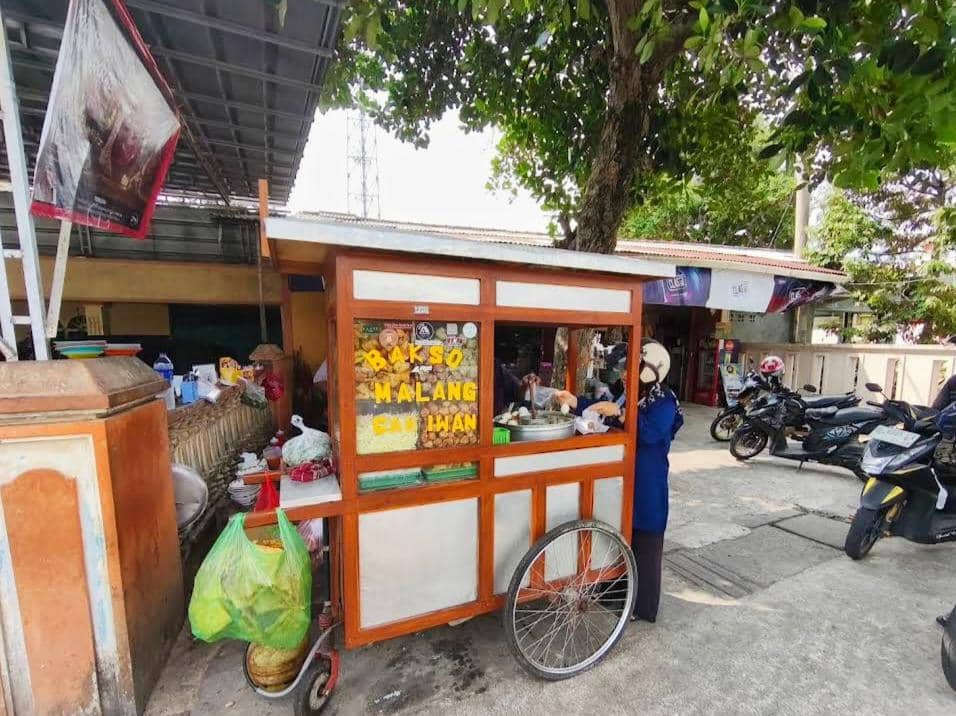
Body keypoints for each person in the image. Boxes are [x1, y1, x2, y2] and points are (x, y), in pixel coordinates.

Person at [555, 339, 683, 623]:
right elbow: (603, 408)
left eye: (632, 369)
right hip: (621, 474)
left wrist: (623, 414)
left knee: (645, 541)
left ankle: (642, 605)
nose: (625, 374)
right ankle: (615, 592)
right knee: (619, 534)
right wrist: (575, 402)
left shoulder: (664, 401)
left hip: (647, 480)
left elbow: (650, 434)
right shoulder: (629, 394)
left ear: (652, 370)